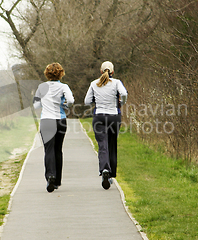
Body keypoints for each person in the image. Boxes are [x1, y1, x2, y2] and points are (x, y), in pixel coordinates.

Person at [84, 61, 127, 190]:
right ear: (112, 72)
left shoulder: (94, 84)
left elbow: (87, 101)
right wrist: (121, 103)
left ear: (101, 71)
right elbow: (124, 94)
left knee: (103, 145)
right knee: (112, 144)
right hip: (114, 116)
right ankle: (111, 174)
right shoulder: (117, 83)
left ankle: (104, 170)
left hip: (99, 116)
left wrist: (96, 100)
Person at [33, 63, 74, 192]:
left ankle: (50, 176)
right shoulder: (64, 87)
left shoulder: (42, 87)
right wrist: (64, 105)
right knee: (58, 150)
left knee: (49, 150)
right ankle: (57, 181)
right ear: (61, 73)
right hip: (60, 120)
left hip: (46, 121)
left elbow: (36, 105)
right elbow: (71, 101)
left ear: (47, 73)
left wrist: (45, 104)